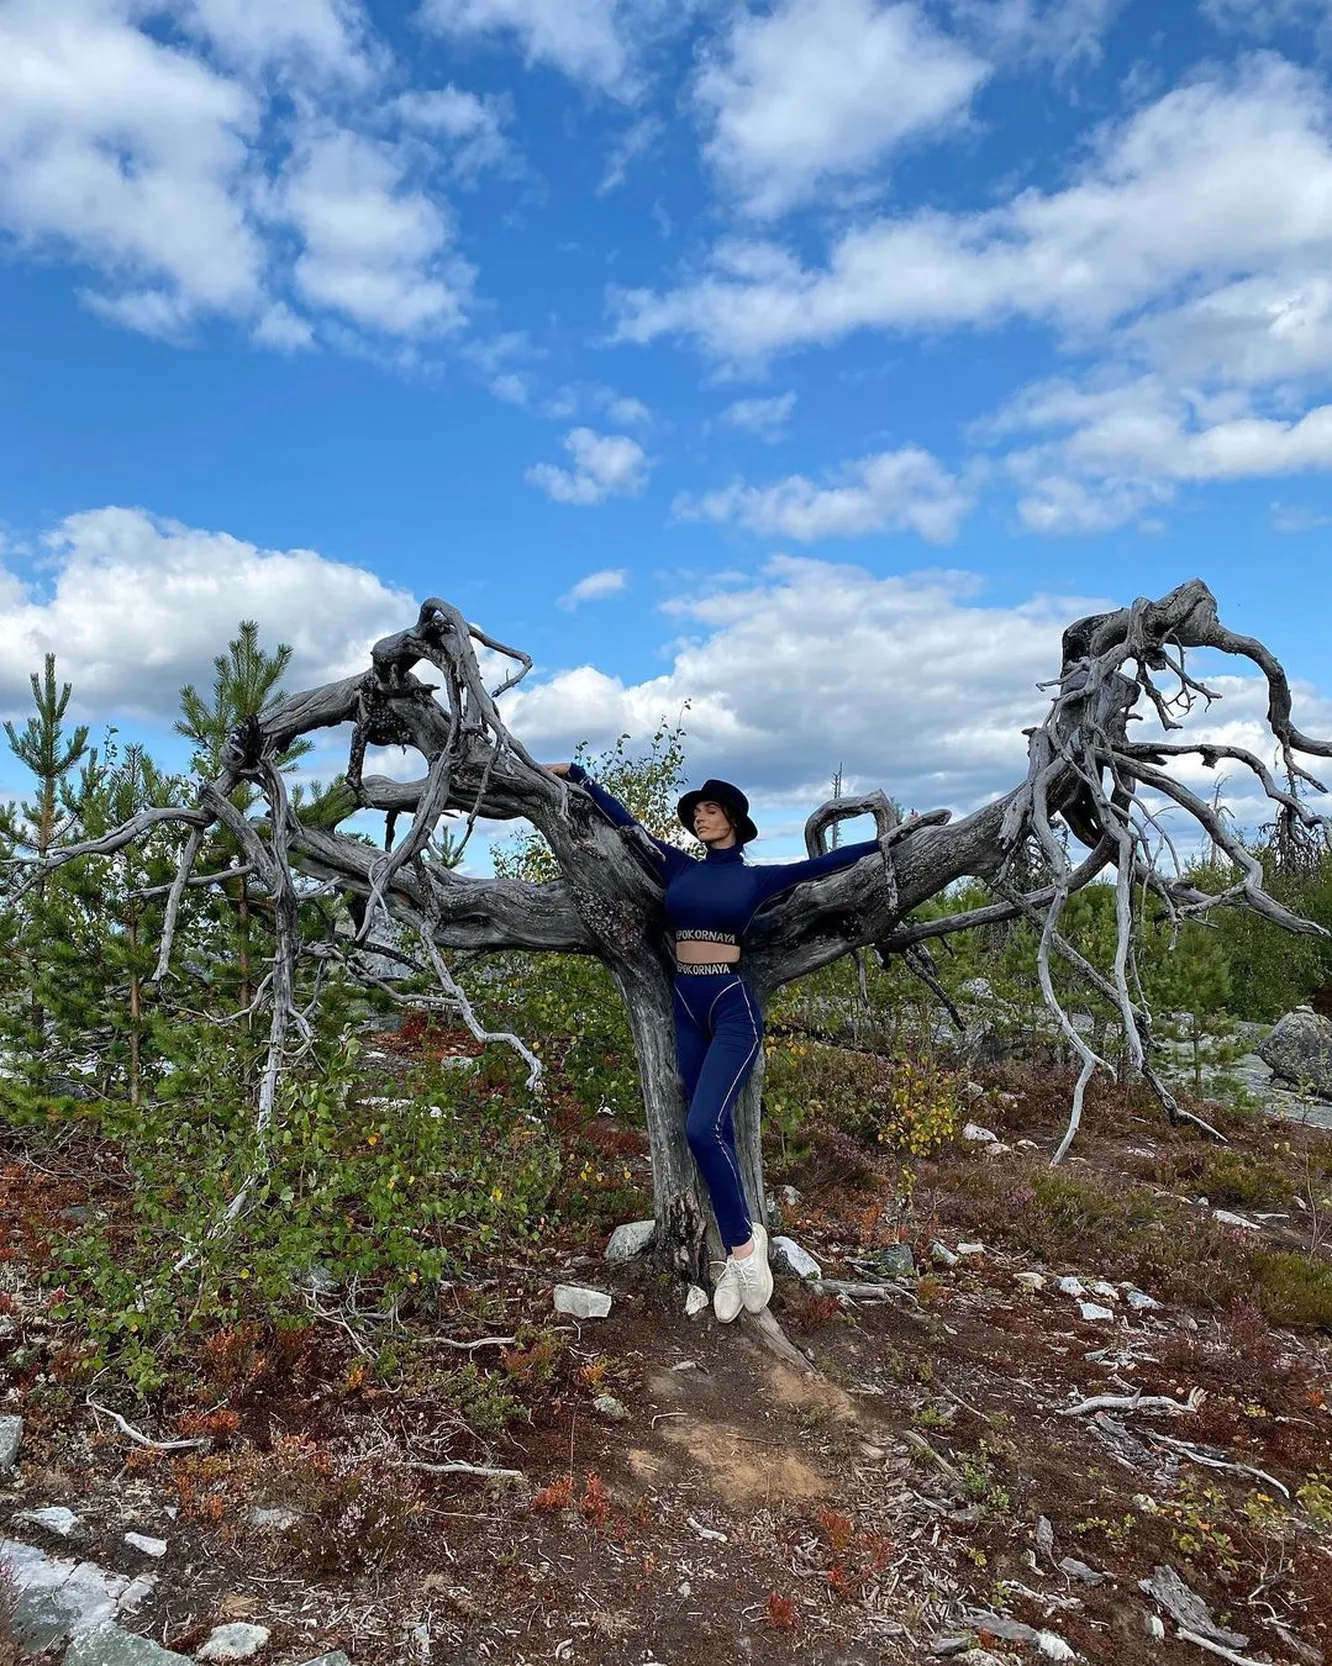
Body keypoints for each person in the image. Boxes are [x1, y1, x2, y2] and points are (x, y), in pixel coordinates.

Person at [543, 761, 883, 1324]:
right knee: (709, 1132)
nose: (699, 816)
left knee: (701, 1128)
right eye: (695, 811)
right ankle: (733, 1254)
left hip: (730, 1009)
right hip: (685, 1006)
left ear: (732, 820)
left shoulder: (753, 879)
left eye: (709, 809)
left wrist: (888, 842)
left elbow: (822, 864)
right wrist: (580, 775)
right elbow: (627, 826)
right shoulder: (676, 865)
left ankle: (746, 1255)